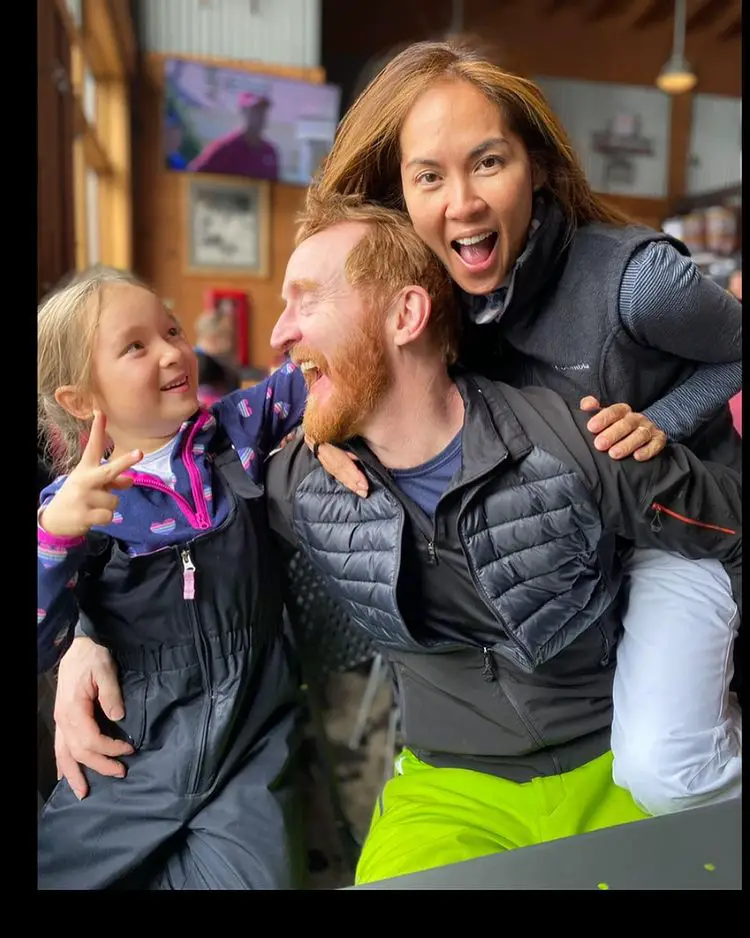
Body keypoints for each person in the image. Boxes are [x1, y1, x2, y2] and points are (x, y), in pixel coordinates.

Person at [52, 201, 742, 887]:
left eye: (306, 302)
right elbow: (175, 566)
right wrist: (82, 636)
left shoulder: (573, 439)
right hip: (443, 790)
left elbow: (726, 526)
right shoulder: (293, 484)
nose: (278, 335)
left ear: (406, 316)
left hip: (621, 762)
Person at [305, 38, 744, 798]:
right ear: (400, 195)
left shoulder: (638, 285)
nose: (462, 202)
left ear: (535, 166)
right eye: (429, 177)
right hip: (578, 536)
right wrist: (324, 430)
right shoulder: (432, 299)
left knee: (661, 769)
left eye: (489, 162)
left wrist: (661, 423)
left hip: (682, 523)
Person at [36, 265, 362, 890]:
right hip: (133, 756)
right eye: (136, 346)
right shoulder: (75, 502)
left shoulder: (237, 429)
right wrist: (55, 537)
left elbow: (320, 370)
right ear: (81, 400)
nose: (171, 352)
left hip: (252, 745)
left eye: (172, 330)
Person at [188, 91, 279, 181]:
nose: (260, 116)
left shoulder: (269, 152)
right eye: (255, 111)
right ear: (243, 112)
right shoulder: (226, 147)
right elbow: (194, 172)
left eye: (263, 111)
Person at [194, 308, 241, 406]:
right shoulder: (200, 364)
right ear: (212, 337)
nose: (231, 342)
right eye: (227, 334)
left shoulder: (222, 361)